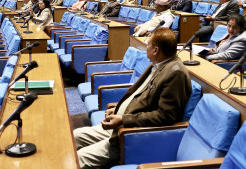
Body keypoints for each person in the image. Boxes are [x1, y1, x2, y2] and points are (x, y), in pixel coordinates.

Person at [74, 28, 191, 169]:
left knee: (79, 158)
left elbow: (165, 116)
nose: (146, 46)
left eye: (148, 44)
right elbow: (141, 97)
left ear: (156, 50)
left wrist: (123, 119)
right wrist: (118, 110)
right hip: (120, 125)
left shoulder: (175, 74)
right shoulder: (158, 64)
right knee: (75, 136)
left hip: (131, 134)